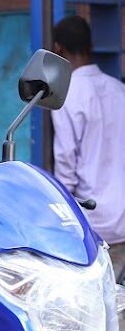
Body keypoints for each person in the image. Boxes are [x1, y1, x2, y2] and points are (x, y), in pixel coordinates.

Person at [52, 15, 125, 281]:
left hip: (92, 222)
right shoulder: (119, 90)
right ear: (90, 45)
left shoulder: (67, 97)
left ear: (58, 49)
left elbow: (66, 167)